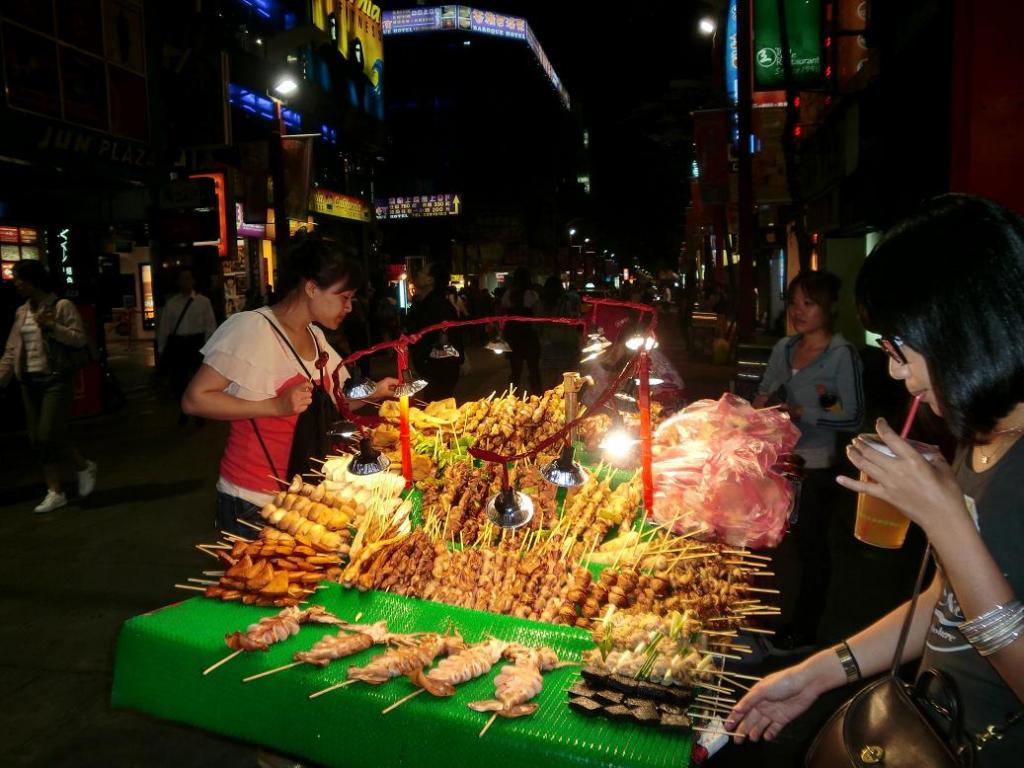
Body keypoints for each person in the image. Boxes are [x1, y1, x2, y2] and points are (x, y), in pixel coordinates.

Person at [728, 195, 1024, 767]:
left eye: (900, 347)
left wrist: (945, 520)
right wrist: (821, 671)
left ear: (964, 328)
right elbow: (947, 601)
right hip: (933, 727)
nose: (894, 369)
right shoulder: (981, 436)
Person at [182, 232, 397, 535]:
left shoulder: (315, 336)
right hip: (252, 499)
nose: (349, 307)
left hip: (301, 495)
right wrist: (274, 406)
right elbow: (195, 399)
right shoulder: (253, 328)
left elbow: (332, 401)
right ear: (311, 288)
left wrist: (376, 392)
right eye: (344, 297)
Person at [752, 270, 864, 652]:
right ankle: (762, 619)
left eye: (809, 303)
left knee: (810, 548)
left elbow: (851, 416)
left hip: (815, 467)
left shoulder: (840, 356)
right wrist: (754, 412)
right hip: (777, 461)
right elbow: (764, 391)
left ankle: (804, 630)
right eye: (794, 302)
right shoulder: (785, 348)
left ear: (830, 308)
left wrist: (805, 412)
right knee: (770, 541)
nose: (798, 311)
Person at [0, 261, 97, 513]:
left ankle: (83, 465)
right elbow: (12, 350)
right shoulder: (22, 311)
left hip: (56, 379)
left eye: (20, 278)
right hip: (28, 381)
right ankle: (55, 492)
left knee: (47, 434)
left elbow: (79, 339)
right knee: (37, 439)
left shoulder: (61, 306)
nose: (16, 284)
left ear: (35, 280)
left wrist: (53, 327)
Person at [156, 268, 217, 426]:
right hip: (178, 344)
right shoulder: (172, 303)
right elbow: (164, 328)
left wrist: (207, 347)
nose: (185, 282)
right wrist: (161, 349)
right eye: (182, 279)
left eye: (188, 278)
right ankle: (185, 410)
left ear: (193, 281)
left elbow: (210, 325)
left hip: (196, 343)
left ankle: (198, 413)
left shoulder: (203, 301)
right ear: (178, 282)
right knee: (179, 381)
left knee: (198, 381)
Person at [408, 262, 461, 402]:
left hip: (439, 370)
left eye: (422, 272)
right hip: (430, 368)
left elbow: (446, 341)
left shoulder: (439, 306)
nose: (418, 274)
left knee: (437, 406)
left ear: (430, 280)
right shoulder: (424, 303)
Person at [502, 267, 542, 395]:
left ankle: (512, 397)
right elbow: (537, 314)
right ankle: (537, 396)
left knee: (515, 371)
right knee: (534, 370)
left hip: (513, 335)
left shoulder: (509, 294)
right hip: (530, 335)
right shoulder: (532, 295)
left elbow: (503, 312)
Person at [537, 276, 581, 391]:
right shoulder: (566, 302)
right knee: (566, 382)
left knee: (549, 382)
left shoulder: (541, 304)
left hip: (548, 344)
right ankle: (565, 401)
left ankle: (549, 400)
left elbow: (536, 325)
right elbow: (573, 322)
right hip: (566, 343)